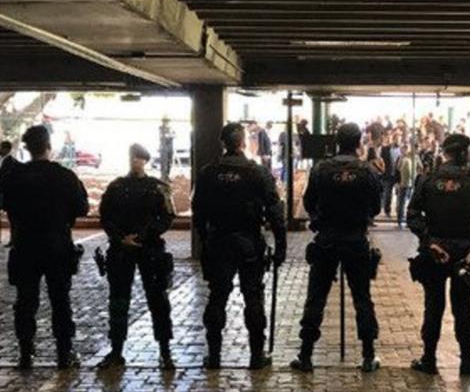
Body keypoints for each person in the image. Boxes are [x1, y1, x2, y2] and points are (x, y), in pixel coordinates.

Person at [192, 122, 286, 369]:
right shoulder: (256, 172)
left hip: (218, 242)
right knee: (253, 297)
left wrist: (204, 241)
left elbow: (198, 212)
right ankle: (256, 355)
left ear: (223, 142)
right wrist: (281, 245)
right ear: (243, 142)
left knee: (217, 297)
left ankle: (214, 355)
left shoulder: (208, 172)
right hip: (248, 243)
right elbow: (275, 210)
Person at [291, 123, 382, 372]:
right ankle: (367, 355)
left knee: (316, 298)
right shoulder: (367, 171)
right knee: (362, 298)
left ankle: (306, 354)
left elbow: (309, 202)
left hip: (326, 240)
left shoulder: (321, 169)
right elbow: (376, 206)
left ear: (337, 141)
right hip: (355, 240)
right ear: (358, 143)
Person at [3, 125, 89, 369]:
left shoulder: (14, 177)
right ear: (49, 146)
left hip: (25, 246)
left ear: (27, 148)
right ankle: (64, 353)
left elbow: (6, 204)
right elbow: (82, 208)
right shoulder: (65, 176)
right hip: (57, 246)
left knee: (25, 302)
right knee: (60, 300)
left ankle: (25, 352)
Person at [407, 134, 470, 375]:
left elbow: (412, 213)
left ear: (444, 152)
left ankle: (429, 359)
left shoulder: (428, 179)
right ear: (465, 153)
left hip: (435, 253)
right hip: (463, 254)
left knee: (433, 305)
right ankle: (466, 360)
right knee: (462, 306)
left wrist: (429, 241)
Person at [97, 144, 176, 370]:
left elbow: (167, 217)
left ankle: (165, 350)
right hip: (122, 249)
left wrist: (143, 236)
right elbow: (106, 216)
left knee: (158, 301)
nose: (135, 162)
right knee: (119, 301)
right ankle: (116, 350)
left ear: (145, 160)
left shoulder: (158, 188)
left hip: (149, 249)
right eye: (133, 158)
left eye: (139, 158)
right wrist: (120, 237)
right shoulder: (116, 187)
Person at [396, 143, 421, 228]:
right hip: (405, 182)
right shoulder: (404, 157)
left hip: (410, 183)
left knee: (406, 202)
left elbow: (420, 167)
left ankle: (403, 220)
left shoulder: (415, 157)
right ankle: (401, 219)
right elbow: (398, 168)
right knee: (403, 202)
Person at [381, 137, 401, 217]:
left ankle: (398, 210)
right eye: (396, 139)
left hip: (397, 175)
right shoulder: (385, 149)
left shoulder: (400, 150)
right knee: (388, 194)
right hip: (388, 175)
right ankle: (387, 210)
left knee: (399, 194)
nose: (397, 141)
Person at [158, 116, 175, 181]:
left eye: (167, 121)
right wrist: (169, 135)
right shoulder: (161, 128)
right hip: (163, 147)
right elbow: (162, 136)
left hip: (170, 147)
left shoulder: (171, 128)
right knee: (163, 162)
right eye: (165, 121)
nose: (166, 122)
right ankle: (163, 177)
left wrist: (169, 135)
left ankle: (167, 176)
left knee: (169, 162)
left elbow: (174, 135)